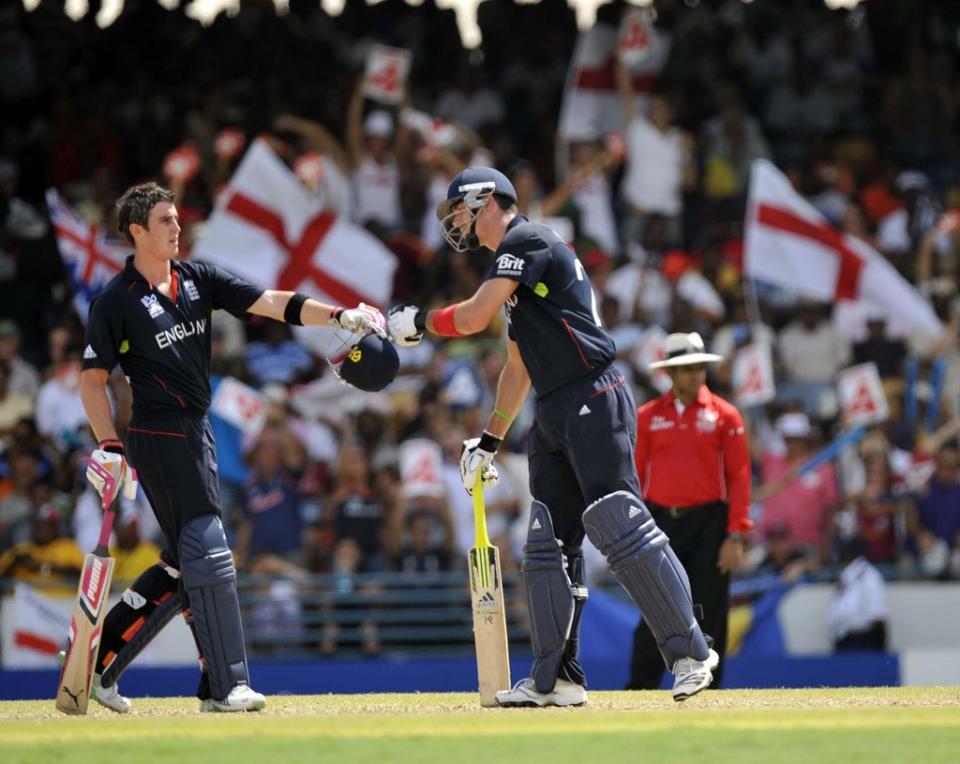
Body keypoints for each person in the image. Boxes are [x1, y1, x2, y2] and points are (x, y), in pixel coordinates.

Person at [388, 167, 719, 707]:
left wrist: (421, 321)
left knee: (618, 522)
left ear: (486, 200)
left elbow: (472, 319)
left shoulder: (527, 239)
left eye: (459, 209)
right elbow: (517, 369)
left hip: (595, 391)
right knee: (547, 544)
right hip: (555, 406)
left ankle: (691, 653)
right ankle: (556, 679)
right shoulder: (514, 274)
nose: (456, 221)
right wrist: (491, 439)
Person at [77, 181, 393, 714]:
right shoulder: (115, 301)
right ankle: (224, 687)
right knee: (209, 550)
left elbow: (271, 302)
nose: (178, 228)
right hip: (158, 432)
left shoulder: (197, 278)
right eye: (165, 221)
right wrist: (108, 444)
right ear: (136, 231)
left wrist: (340, 315)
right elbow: (92, 378)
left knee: (183, 565)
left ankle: (97, 665)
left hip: (196, 429)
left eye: (178, 218)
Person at [627, 332, 751, 690]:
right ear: (670, 374)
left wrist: (735, 534)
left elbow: (740, 475)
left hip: (710, 523)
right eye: (686, 369)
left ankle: (710, 691)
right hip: (660, 522)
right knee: (654, 607)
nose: (694, 375)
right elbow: (634, 475)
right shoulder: (648, 416)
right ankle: (639, 690)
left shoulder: (725, 415)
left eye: (699, 367)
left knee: (710, 610)